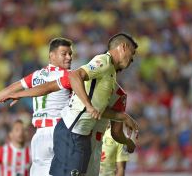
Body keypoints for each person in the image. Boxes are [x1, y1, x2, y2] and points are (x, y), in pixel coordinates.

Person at [0, 38, 73, 176]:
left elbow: (10, 89)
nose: (69, 57)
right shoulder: (70, 76)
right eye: (64, 53)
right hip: (60, 132)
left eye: (70, 54)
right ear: (51, 56)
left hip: (40, 135)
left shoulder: (36, 76)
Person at [52, 32, 137, 176]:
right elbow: (74, 75)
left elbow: (100, 110)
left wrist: (123, 117)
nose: (132, 59)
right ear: (123, 47)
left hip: (82, 134)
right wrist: (88, 105)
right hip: (72, 129)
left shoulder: (110, 74)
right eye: (132, 53)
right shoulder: (103, 61)